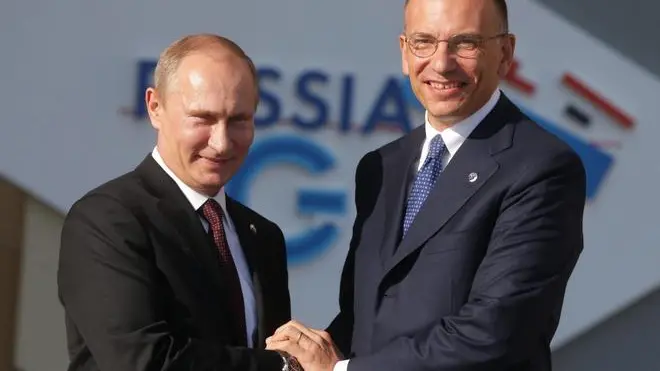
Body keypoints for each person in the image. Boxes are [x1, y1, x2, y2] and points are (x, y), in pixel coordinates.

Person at [265, 0, 587, 370]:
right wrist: (304, 355)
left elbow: (495, 332)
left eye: (465, 43)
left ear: (505, 53)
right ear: (404, 52)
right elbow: (366, 318)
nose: (441, 63)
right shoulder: (381, 167)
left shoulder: (541, 167)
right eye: (424, 42)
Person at [58, 34, 298, 370]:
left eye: (239, 120)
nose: (221, 142)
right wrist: (282, 366)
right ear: (155, 107)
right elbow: (145, 361)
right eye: (203, 119)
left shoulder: (263, 237)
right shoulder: (107, 220)